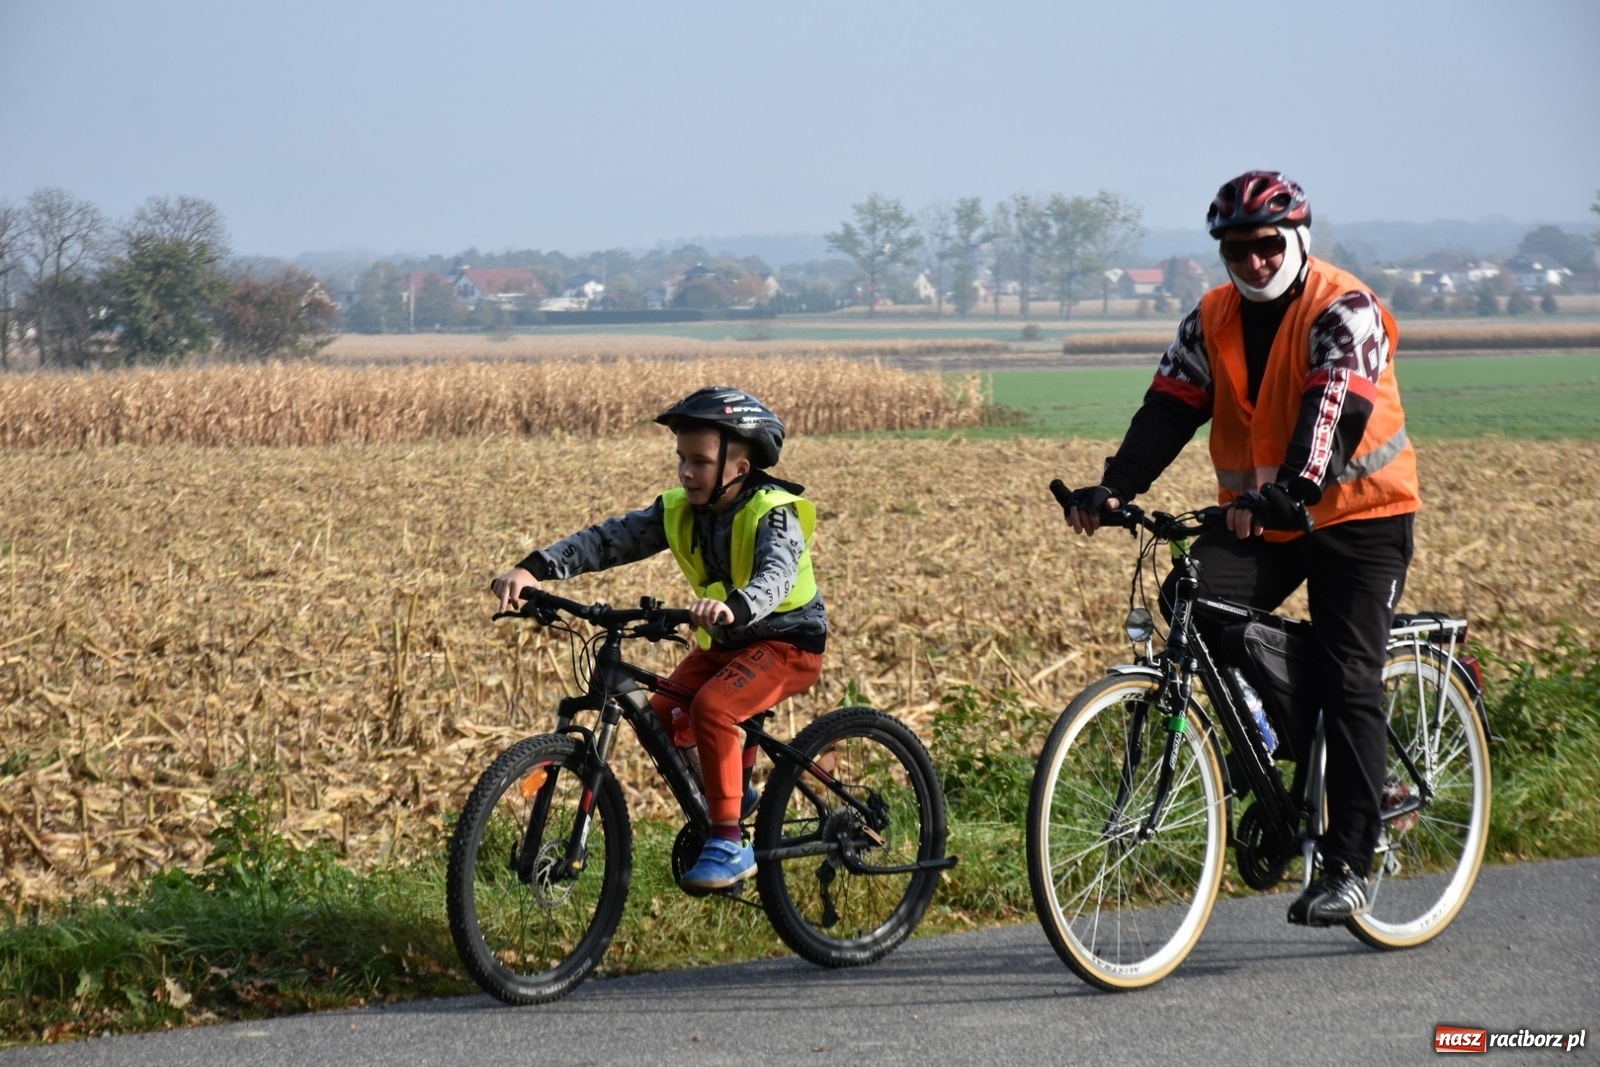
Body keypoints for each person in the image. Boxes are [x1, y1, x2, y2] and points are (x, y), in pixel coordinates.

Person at [1063, 171, 1420, 927]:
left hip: (1360, 516)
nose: (1252, 261)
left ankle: (1352, 857)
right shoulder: (1213, 317)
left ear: (1296, 240)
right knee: (1191, 598)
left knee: (1351, 674)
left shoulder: (1342, 308)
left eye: (1266, 245)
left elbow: (1334, 411)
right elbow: (1168, 406)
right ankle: (1288, 743)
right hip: (1268, 516)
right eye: (1236, 249)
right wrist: (1115, 487)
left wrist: (1292, 487)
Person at [489, 386, 827, 891]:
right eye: (681, 460)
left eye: (700, 461)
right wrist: (533, 570)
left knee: (711, 708)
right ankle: (735, 791)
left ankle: (730, 840)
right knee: (665, 717)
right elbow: (608, 540)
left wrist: (732, 606)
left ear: (739, 467)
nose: (686, 472)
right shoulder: (678, 510)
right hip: (727, 643)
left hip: (787, 643)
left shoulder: (774, 511)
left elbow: (776, 575)